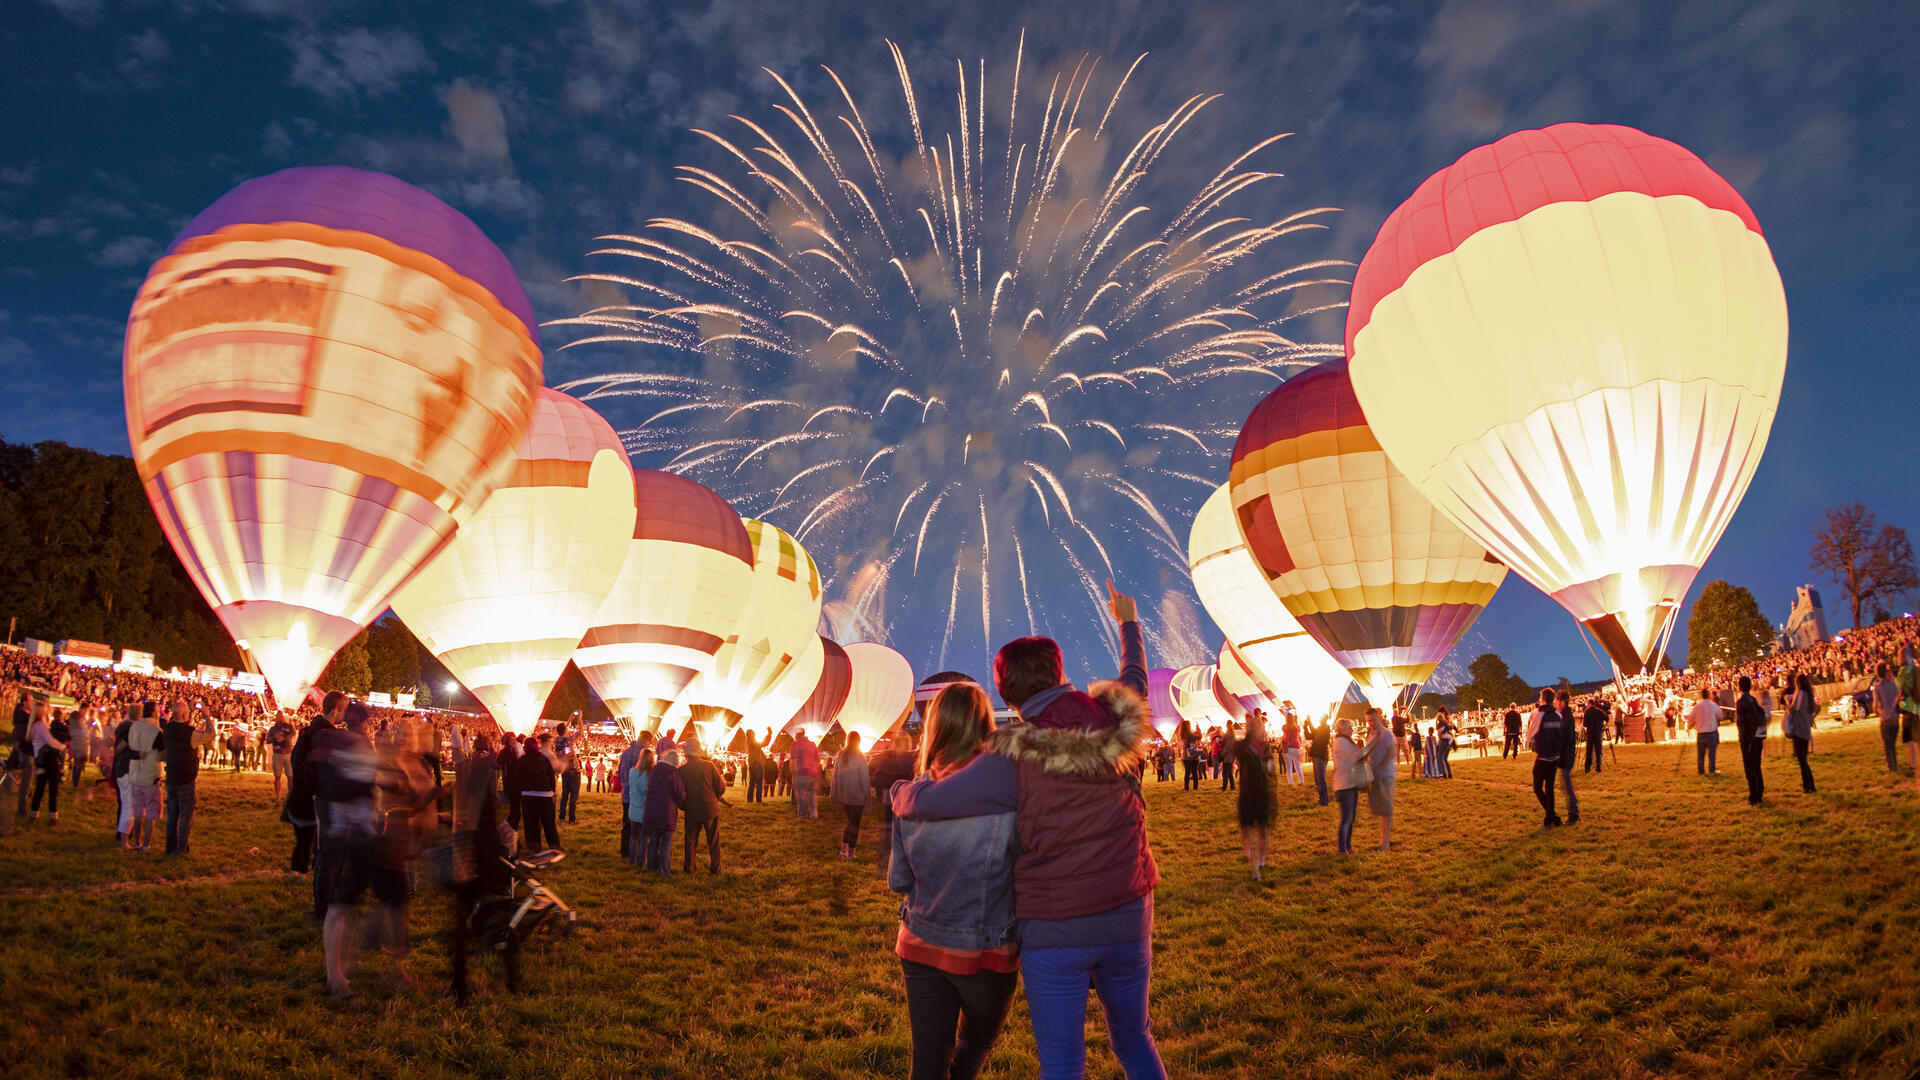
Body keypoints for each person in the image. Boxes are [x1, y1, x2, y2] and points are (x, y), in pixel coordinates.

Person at [892, 580, 1164, 1080]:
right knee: (1135, 1040)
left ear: (1006, 691)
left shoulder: (1012, 756)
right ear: (1061, 673)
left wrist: (899, 793)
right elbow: (1134, 676)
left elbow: (935, 800)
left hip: (1057, 923)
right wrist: (1128, 621)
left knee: (1062, 1063)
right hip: (1130, 908)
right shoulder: (1114, 718)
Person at [887, 684, 1020, 1080]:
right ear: (985, 725)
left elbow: (898, 881)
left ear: (934, 729)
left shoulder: (910, 797)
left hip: (920, 944)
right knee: (975, 1045)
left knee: (925, 1065)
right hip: (987, 952)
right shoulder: (1009, 797)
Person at [316, 702, 379, 999]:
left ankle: (336, 971)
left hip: (344, 828)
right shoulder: (359, 745)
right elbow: (366, 785)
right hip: (354, 831)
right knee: (342, 904)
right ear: (364, 721)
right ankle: (335, 975)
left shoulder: (341, 743)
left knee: (344, 905)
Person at [448, 725, 513, 1002]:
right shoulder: (485, 776)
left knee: (464, 931)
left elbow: (470, 821)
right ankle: (511, 977)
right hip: (485, 858)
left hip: (474, 861)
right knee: (484, 923)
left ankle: (460, 989)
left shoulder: (472, 776)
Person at [161, 699, 209, 855]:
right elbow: (210, 735)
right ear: (182, 715)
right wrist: (207, 717)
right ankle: (181, 848)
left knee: (172, 815)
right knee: (185, 817)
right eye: (187, 712)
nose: (189, 714)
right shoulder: (190, 733)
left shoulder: (167, 729)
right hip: (186, 779)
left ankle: (170, 846)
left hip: (171, 777)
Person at [868, 729, 919, 875]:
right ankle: (905, 857)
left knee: (889, 826)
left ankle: (889, 857)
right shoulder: (913, 758)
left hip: (889, 795)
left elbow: (876, 777)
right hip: (908, 797)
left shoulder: (886, 757)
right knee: (906, 827)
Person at [1234, 712, 1275, 879]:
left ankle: (1261, 860)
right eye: (1258, 727)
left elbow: (1270, 765)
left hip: (1262, 791)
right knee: (1247, 827)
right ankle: (1251, 857)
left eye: (1261, 727)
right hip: (1247, 791)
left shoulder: (1265, 747)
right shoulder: (1243, 746)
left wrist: (1269, 766)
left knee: (1262, 828)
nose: (1261, 730)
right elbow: (1238, 754)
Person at [678, 737, 727, 874]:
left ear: (686, 753)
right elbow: (721, 787)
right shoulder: (709, 766)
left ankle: (689, 869)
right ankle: (716, 869)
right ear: (699, 751)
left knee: (690, 841)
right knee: (713, 841)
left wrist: (683, 806)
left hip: (691, 809)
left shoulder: (682, 770)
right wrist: (716, 797)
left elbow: (679, 792)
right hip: (710, 808)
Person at [124, 702, 164, 850]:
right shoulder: (156, 730)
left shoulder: (134, 726)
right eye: (158, 711)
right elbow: (162, 754)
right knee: (151, 812)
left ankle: (136, 843)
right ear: (154, 712)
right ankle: (146, 844)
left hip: (135, 773)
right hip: (150, 775)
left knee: (138, 811)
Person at [640, 748, 686, 875]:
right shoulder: (673, 773)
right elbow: (680, 794)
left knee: (653, 841)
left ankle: (651, 867)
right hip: (667, 812)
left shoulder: (654, 770)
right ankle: (664, 870)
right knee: (666, 843)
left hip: (651, 811)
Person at [1527, 689, 1566, 828]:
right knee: (1549, 789)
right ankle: (1551, 819)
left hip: (1543, 757)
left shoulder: (1537, 714)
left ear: (1542, 699)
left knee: (1538, 788)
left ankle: (1552, 817)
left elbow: (1529, 736)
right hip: (1554, 756)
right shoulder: (1558, 715)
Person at [518, 731, 561, 853]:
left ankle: (534, 847)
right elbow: (551, 776)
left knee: (531, 823)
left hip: (528, 795)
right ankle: (554, 846)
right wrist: (552, 790)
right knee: (549, 823)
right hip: (545, 795)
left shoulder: (522, 760)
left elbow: (518, 777)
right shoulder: (544, 759)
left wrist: (521, 790)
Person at [1330, 718, 1367, 855]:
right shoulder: (1341, 742)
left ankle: (1348, 846)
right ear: (1343, 729)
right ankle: (1342, 849)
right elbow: (1358, 755)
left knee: (1351, 818)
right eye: (1350, 728)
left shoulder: (1345, 742)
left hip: (1349, 783)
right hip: (1344, 785)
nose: (1352, 730)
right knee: (1346, 818)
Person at [833, 730, 872, 859]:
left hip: (845, 796)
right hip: (858, 796)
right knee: (854, 824)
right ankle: (851, 853)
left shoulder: (841, 755)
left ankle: (844, 851)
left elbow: (835, 777)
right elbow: (864, 779)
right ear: (859, 741)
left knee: (851, 822)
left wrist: (833, 794)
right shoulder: (860, 757)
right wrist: (867, 798)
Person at [28, 703, 67, 824]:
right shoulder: (41, 726)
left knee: (39, 788)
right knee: (53, 789)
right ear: (42, 712)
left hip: (39, 760)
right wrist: (61, 746)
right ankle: (52, 816)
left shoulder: (33, 726)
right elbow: (49, 741)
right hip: (48, 759)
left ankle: (33, 813)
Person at [1365, 708, 1398, 849]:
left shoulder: (1386, 734)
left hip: (1385, 775)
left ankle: (1385, 842)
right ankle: (1383, 839)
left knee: (1386, 810)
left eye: (1373, 719)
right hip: (1375, 776)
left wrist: (1380, 768)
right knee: (1380, 810)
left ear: (1378, 717)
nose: (1371, 723)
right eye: (1368, 721)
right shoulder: (1370, 734)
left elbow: (1391, 753)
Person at [1734, 675, 1769, 806]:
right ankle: (1759, 792)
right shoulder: (1753, 700)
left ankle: (1754, 796)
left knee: (1749, 768)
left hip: (1748, 739)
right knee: (1757, 767)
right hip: (1757, 737)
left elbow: (1741, 723)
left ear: (1739, 687)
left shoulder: (1741, 702)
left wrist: (1742, 740)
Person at [1784, 673, 1817, 794]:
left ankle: (1808, 785)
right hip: (1804, 728)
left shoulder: (1802, 694)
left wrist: (1788, 703)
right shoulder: (1808, 694)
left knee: (1802, 760)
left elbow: (1795, 710)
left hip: (1799, 729)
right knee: (1803, 759)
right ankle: (1808, 784)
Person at [1553, 690, 1580, 825]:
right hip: (1565, 755)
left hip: (1565, 756)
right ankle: (1574, 811)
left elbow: (1564, 737)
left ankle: (1574, 814)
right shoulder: (1564, 714)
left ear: (1562, 702)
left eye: (1556, 701)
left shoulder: (1565, 716)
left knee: (1566, 786)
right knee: (1566, 785)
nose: (1555, 703)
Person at [625, 749, 653, 868]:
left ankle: (631, 860)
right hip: (644, 811)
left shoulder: (632, 772)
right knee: (643, 838)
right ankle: (641, 862)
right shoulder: (649, 775)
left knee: (633, 837)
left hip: (633, 809)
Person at [1873, 662, 1902, 772]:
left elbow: (1875, 707)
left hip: (1885, 720)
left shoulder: (1877, 687)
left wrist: (1880, 712)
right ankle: (1895, 765)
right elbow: (1899, 697)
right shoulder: (1895, 684)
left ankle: (1892, 767)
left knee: (1887, 745)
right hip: (1895, 719)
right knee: (1893, 745)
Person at [1688, 689, 1723, 776]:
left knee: (1701, 754)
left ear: (1701, 696)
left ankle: (1701, 770)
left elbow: (1690, 719)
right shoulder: (1713, 705)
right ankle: (1712, 769)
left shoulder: (1697, 706)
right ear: (1708, 695)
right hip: (1711, 732)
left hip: (1701, 733)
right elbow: (1720, 716)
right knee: (1712, 754)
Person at [557, 717, 583, 825]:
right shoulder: (569, 741)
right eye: (566, 729)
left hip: (564, 771)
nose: (568, 729)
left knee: (564, 795)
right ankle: (571, 819)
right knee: (573, 796)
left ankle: (562, 816)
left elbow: (562, 730)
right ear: (564, 731)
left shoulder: (557, 740)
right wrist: (580, 718)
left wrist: (570, 718)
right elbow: (580, 731)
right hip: (573, 771)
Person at [266, 711, 296, 803]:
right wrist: (275, 737)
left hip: (287, 753)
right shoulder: (273, 729)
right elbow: (268, 740)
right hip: (277, 754)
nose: (279, 718)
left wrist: (284, 737)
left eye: (280, 716)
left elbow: (293, 733)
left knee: (290, 775)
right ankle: (278, 797)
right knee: (277, 776)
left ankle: (290, 796)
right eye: (277, 716)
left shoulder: (288, 726)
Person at [792, 729, 822, 819]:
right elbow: (818, 760)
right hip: (813, 774)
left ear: (797, 736)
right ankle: (814, 815)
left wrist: (793, 776)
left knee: (802, 796)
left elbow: (794, 761)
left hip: (801, 773)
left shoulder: (795, 745)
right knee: (813, 795)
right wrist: (818, 774)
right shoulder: (812, 744)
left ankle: (802, 816)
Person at [1306, 716, 1331, 807]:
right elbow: (1309, 736)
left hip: (1321, 756)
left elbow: (1316, 734)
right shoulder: (1320, 728)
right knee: (1317, 780)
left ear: (1324, 720)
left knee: (1321, 779)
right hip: (1316, 755)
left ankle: (1325, 800)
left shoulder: (1325, 729)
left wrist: (1310, 724)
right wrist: (1306, 726)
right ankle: (1322, 799)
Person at [1582, 699, 1609, 774]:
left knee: (1589, 751)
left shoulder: (1587, 712)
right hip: (1598, 732)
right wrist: (1603, 725)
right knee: (1598, 750)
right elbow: (1606, 718)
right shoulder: (1599, 711)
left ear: (1589, 704)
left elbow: (1585, 724)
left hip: (1590, 733)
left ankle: (1587, 768)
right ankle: (1598, 767)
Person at [1279, 715, 1303, 788]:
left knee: (1288, 766)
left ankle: (1290, 783)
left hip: (1288, 748)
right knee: (1298, 766)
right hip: (1296, 747)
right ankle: (1301, 781)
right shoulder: (1297, 727)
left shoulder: (1284, 727)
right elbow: (1298, 731)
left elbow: (1284, 734)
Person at [745, 728, 767, 803]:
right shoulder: (753, 742)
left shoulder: (748, 742)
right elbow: (764, 743)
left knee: (752, 782)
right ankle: (758, 799)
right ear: (752, 734)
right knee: (759, 783)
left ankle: (750, 799)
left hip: (751, 764)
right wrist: (769, 734)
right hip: (757, 764)